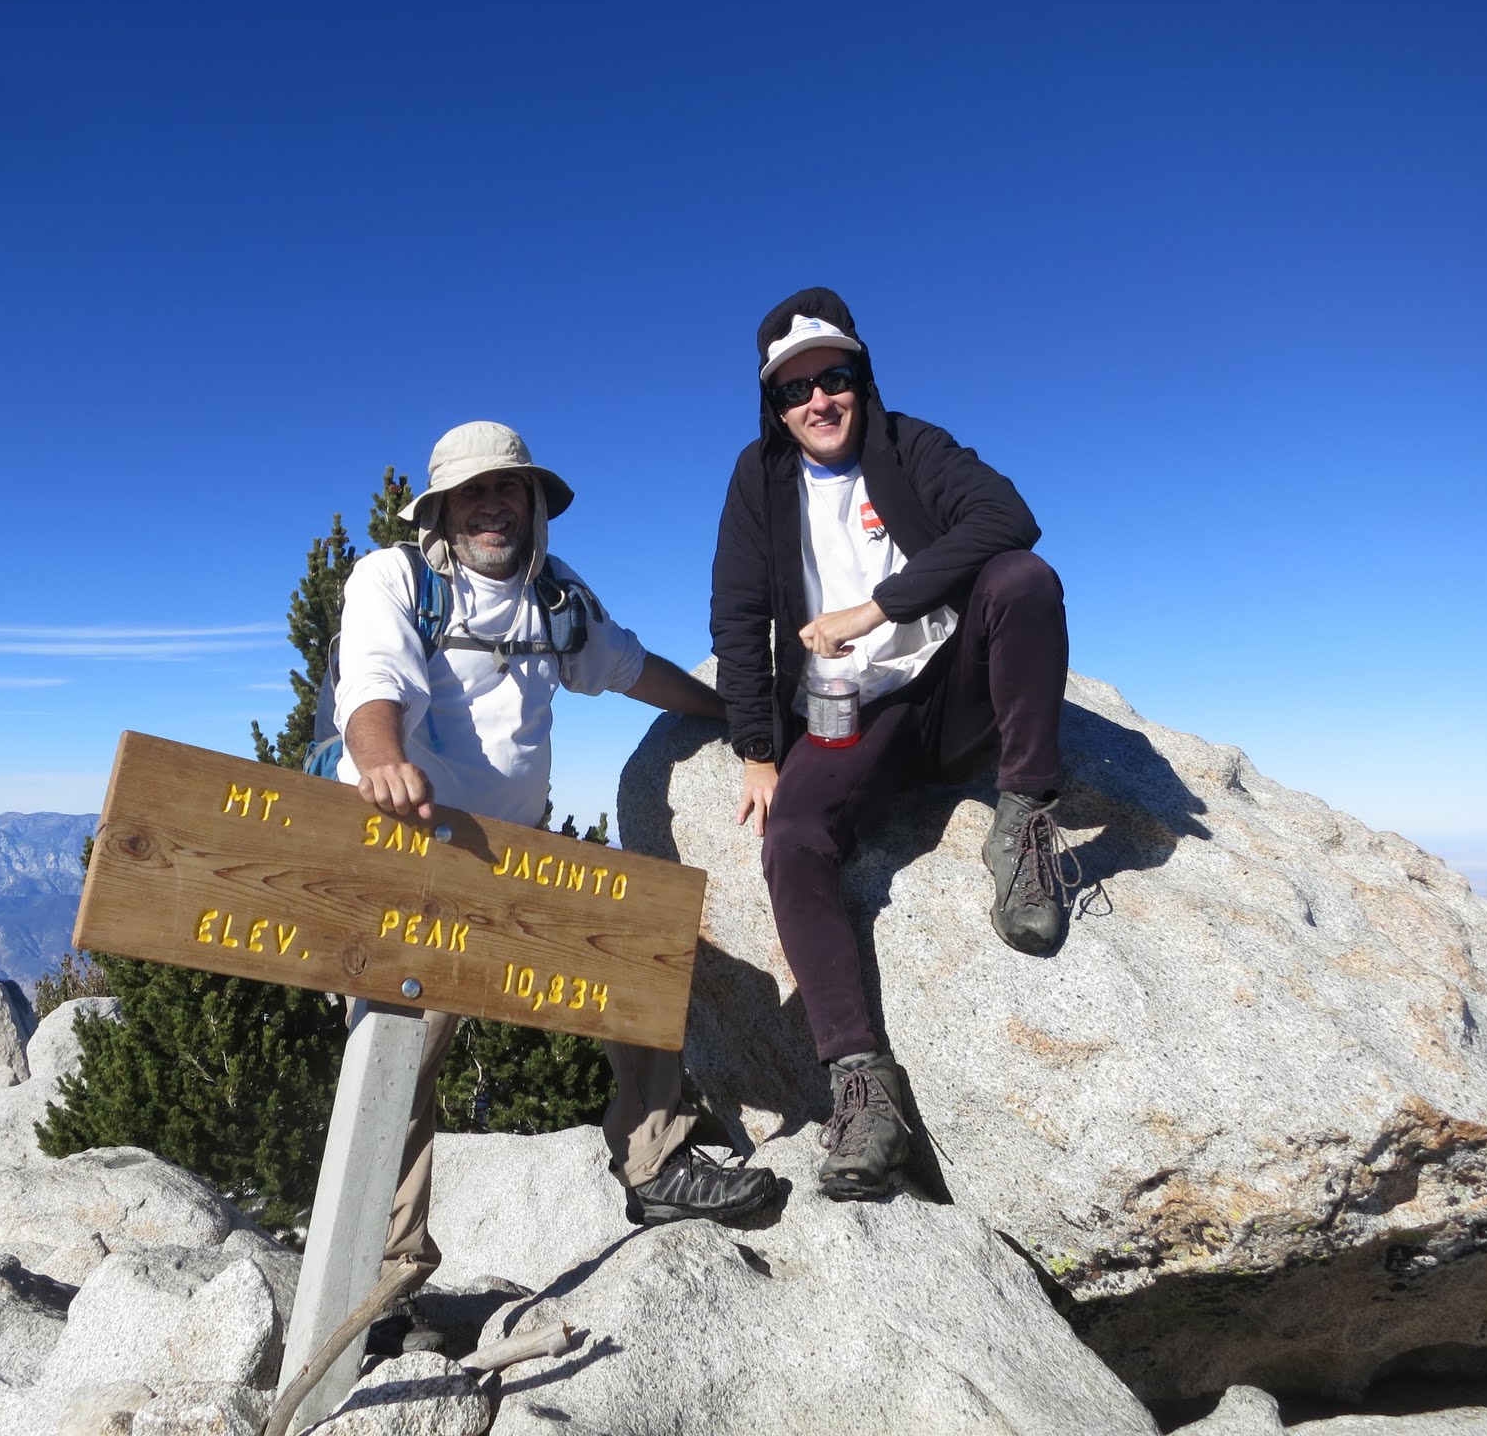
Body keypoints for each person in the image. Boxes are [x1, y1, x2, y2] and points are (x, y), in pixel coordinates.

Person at [336, 420, 776, 1343]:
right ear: (443, 512)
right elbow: (371, 680)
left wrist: (738, 712)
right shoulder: (396, 581)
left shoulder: (555, 596)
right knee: (398, 1064)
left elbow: (628, 668)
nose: (494, 505)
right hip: (403, 851)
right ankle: (385, 1284)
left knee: (632, 950)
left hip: (512, 850)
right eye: (473, 493)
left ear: (533, 505)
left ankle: (655, 1166)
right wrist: (378, 757)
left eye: (511, 490)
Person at [709, 286, 1078, 1201]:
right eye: (796, 391)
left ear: (860, 378)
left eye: (834, 377)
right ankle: (864, 1088)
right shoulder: (759, 482)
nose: (818, 402)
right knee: (791, 842)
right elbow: (738, 615)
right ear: (775, 406)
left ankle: (1023, 817)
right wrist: (759, 749)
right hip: (848, 717)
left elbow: (1008, 520)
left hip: (948, 690)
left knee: (1023, 584)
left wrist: (878, 607)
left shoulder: (912, 445)